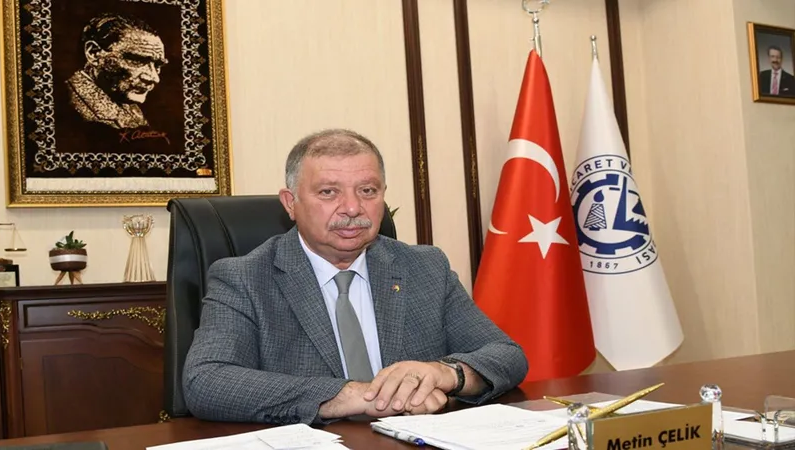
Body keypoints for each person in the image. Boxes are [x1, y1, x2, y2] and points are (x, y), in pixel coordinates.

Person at [183, 129, 528, 425]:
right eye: (328, 192)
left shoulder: (425, 268)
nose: (352, 208)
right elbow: (206, 382)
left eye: (367, 191)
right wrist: (350, 395)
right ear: (290, 203)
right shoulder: (244, 278)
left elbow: (507, 355)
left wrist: (447, 374)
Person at [66, 13, 168, 130]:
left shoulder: (125, 103)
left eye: (157, 66)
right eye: (136, 60)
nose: (154, 78)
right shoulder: (67, 106)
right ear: (94, 53)